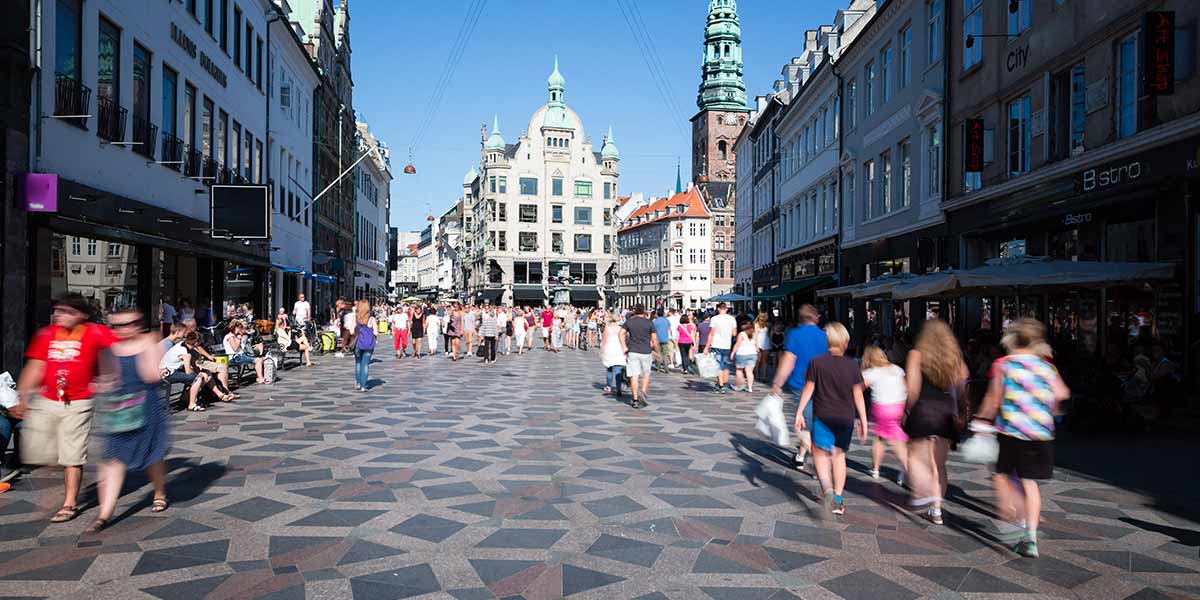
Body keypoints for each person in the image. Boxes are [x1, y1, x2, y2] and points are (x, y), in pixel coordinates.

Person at [15, 293, 115, 523]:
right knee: (37, 451)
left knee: (72, 454)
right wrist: (23, 397)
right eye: (57, 310)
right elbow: (36, 366)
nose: (59, 315)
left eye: (67, 311)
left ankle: (69, 503)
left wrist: (108, 378)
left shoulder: (93, 332)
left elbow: (117, 350)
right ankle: (55, 486)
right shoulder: (46, 334)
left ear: (82, 315)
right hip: (46, 400)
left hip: (78, 402)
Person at [977, 318, 1070, 558]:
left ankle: (1011, 519)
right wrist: (1048, 406)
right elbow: (1062, 392)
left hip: (1013, 431)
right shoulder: (1046, 366)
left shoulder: (1005, 365)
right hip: (1041, 433)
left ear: (1011, 338)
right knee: (1031, 484)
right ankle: (1031, 537)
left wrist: (981, 419)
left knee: (1001, 476)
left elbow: (993, 398)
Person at [85, 308, 171, 532]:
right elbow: (105, 377)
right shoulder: (108, 347)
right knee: (111, 459)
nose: (122, 330)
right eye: (116, 325)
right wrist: (99, 384)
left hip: (146, 407)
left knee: (152, 456)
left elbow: (152, 376)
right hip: (117, 409)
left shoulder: (150, 341)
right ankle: (104, 513)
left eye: (128, 324)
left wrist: (145, 351)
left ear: (138, 323)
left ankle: (159, 491)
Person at [792, 322, 868, 516]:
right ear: (844, 341)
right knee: (839, 455)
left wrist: (799, 412)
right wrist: (864, 421)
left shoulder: (817, 362)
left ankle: (827, 489)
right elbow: (858, 394)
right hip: (845, 417)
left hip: (823, 415)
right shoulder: (851, 364)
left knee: (819, 454)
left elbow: (809, 388)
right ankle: (838, 499)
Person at [904, 319, 968, 526]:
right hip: (946, 410)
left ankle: (922, 493)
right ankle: (936, 510)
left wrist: (906, 410)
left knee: (916, 458)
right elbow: (962, 387)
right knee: (939, 465)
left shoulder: (916, 355)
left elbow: (913, 388)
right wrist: (962, 411)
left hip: (923, 408)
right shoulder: (954, 358)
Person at [770, 304, 829, 473]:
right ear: (815, 317)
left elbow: (788, 359)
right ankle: (800, 457)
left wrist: (777, 383)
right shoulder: (824, 335)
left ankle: (820, 461)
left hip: (800, 385)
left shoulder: (795, 334)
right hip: (821, 384)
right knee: (815, 422)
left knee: (802, 424)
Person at [860, 345, 908, 485]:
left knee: (895, 440)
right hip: (898, 407)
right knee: (880, 437)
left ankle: (907, 469)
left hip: (882, 409)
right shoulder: (897, 369)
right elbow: (906, 387)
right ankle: (875, 468)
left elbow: (858, 388)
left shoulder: (871, 372)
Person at [161, 330, 218, 411]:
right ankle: (191, 404)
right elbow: (188, 372)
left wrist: (199, 372)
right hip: (167, 374)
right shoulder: (185, 353)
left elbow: (193, 366)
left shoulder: (183, 345)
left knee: (202, 375)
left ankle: (187, 398)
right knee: (197, 378)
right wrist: (200, 375)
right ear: (196, 343)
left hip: (169, 371)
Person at [622, 305, 656, 409]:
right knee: (646, 374)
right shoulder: (649, 322)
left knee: (634, 376)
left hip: (633, 351)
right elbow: (654, 339)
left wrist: (624, 346)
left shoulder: (630, 321)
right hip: (646, 351)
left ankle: (635, 399)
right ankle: (643, 393)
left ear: (635, 311)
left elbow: (621, 333)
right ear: (644, 312)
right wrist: (655, 349)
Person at [703, 303, 739, 394]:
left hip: (716, 344)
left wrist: (707, 347)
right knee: (725, 365)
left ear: (718, 309)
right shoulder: (732, 319)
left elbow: (711, 333)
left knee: (718, 365)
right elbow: (734, 333)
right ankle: (724, 382)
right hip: (727, 344)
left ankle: (721, 385)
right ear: (726, 309)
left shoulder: (714, 319)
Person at [223, 319, 265, 384]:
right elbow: (235, 348)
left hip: (240, 355)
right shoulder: (230, 337)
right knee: (258, 360)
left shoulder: (234, 336)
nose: (239, 330)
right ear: (233, 328)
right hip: (235, 357)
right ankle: (261, 378)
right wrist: (239, 339)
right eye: (238, 328)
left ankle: (259, 377)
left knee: (261, 359)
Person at [352, 300, 377, 392]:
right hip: (369, 344)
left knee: (358, 363)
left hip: (358, 343)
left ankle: (358, 383)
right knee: (365, 364)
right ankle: (363, 385)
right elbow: (376, 332)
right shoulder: (371, 319)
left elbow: (351, 331)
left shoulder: (356, 318)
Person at [601, 312, 627, 398]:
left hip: (609, 349)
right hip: (618, 349)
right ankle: (618, 388)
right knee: (618, 370)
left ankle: (609, 386)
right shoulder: (620, 328)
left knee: (609, 369)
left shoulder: (607, 328)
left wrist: (602, 351)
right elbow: (624, 339)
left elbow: (604, 340)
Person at [731, 320, 759, 393]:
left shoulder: (741, 334)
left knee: (739, 370)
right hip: (752, 353)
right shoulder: (754, 333)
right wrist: (757, 349)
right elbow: (755, 343)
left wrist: (733, 353)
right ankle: (750, 388)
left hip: (742, 353)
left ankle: (739, 385)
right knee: (749, 372)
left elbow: (737, 344)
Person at [652, 310, 673, 374]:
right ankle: (666, 368)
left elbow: (652, 331)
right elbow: (669, 329)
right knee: (665, 354)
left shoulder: (655, 321)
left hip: (657, 339)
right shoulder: (666, 321)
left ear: (657, 314)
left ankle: (658, 367)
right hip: (665, 339)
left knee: (658, 353)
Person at [754, 313, 771, 381]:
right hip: (759, 342)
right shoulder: (757, 324)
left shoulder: (767, 324)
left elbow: (769, 333)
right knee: (758, 360)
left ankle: (764, 376)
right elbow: (755, 335)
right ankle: (757, 375)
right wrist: (756, 345)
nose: (767, 318)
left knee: (765, 360)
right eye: (766, 316)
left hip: (766, 342)